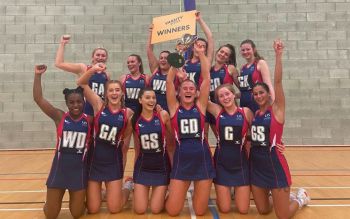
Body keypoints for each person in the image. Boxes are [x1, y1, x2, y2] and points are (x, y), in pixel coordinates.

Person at [249, 40, 310, 218]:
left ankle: (300, 199)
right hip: (257, 164)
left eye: (262, 92)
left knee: (282, 215)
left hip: (274, 164)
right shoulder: (255, 115)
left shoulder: (276, 110)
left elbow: (277, 81)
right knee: (263, 210)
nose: (259, 96)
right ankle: (281, 196)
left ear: (268, 94)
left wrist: (278, 56)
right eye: (256, 94)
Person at [33, 65, 92, 219]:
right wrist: (37, 75)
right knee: (51, 215)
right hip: (59, 170)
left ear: (84, 102)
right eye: (72, 102)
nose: (76, 105)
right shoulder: (59, 117)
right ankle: (50, 201)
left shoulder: (90, 120)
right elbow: (38, 99)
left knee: (77, 214)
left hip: (78, 172)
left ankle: (83, 198)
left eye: (79, 102)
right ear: (67, 103)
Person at [165, 42, 215, 216]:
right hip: (182, 160)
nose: (188, 90)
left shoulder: (201, 107)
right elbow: (169, 81)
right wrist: (177, 57)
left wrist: (201, 53)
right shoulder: (174, 108)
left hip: (202, 159)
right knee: (172, 211)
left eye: (191, 88)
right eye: (184, 88)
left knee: (200, 212)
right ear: (179, 93)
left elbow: (207, 79)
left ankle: (197, 190)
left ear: (196, 93)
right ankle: (170, 192)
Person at [77, 63, 133, 214]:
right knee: (93, 209)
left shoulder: (127, 113)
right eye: (111, 90)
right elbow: (81, 83)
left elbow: (126, 135)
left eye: (117, 90)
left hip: (113, 162)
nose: (114, 93)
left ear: (122, 93)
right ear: (106, 93)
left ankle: (127, 187)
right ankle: (105, 192)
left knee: (115, 209)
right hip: (95, 161)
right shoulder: (98, 105)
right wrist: (93, 70)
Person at [206, 84, 252, 214]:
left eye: (227, 94)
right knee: (225, 209)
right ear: (218, 100)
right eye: (221, 96)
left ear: (233, 94)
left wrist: (277, 141)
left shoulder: (246, 112)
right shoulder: (217, 111)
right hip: (222, 164)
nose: (225, 98)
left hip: (241, 164)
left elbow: (260, 130)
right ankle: (227, 192)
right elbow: (201, 97)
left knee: (243, 210)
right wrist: (182, 77)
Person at [131, 88, 173, 214]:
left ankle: (172, 191)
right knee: (140, 210)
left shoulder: (163, 115)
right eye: (147, 97)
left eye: (153, 98)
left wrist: (174, 173)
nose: (151, 100)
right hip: (143, 167)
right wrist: (135, 174)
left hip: (161, 167)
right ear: (140, 100)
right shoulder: (134, 120)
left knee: (155, 209)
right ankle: (129, 187)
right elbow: (137, 150)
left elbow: (173, 142)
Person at [55, 35, 110, 116]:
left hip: (100, 108)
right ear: (92, 57)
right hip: (85, 108)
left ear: (106, 58)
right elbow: (59, 63)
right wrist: (62, 44)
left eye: (103, 56)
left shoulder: (106, 74)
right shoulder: (83, 68)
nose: (100, 57)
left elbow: (106, 95)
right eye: (97, 55)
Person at [207, 44, 239, 137]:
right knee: (219, 137)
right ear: (217, 52)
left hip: (227, 108)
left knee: (230, 137)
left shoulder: (230, 68)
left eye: (226, 54)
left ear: (228, 58)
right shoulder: (209, 70)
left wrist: (234, 96)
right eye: (221, 51)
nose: (222, 54)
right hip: (212, 107)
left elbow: (243, 88)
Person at [238, 39, 275, 113]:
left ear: (254, 49)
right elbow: (245, 89)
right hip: (244, 103)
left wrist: (273, 102)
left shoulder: (260, 63)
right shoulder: (242, 68)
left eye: (248, 49)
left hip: (258, 102)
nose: (245, 52)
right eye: (243, 50)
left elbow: (268, 84)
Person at [182, 11, 214, 86]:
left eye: (203, 46)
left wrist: (199, 20)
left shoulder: (206, 62)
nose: (200, 47)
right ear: (193, 48)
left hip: (200, 94)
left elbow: (210, 37)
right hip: (186, 94)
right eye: (198, 45)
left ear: (205, 50)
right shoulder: (185, 62)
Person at [147, 24, 172, 112]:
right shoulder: (155, 70)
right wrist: (151, 33)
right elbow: (149, 50)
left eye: (166, 58)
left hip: (169, 111)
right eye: (161, 58)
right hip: (153, 110)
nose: (163, 60)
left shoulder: (174, 74)